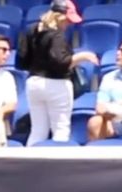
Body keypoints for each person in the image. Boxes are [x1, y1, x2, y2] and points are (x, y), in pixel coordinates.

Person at [17, 0, 98, 145]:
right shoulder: (56, 35)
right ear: (60, 17)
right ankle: (60, 166)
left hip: (33, 82)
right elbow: (61, 62)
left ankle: (30, 164)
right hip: (56, 84)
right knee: (61, 128)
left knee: (38, 130)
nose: (68, 24)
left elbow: (21, 60)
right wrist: (83, 56)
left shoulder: (31, 31)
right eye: (67, 20)